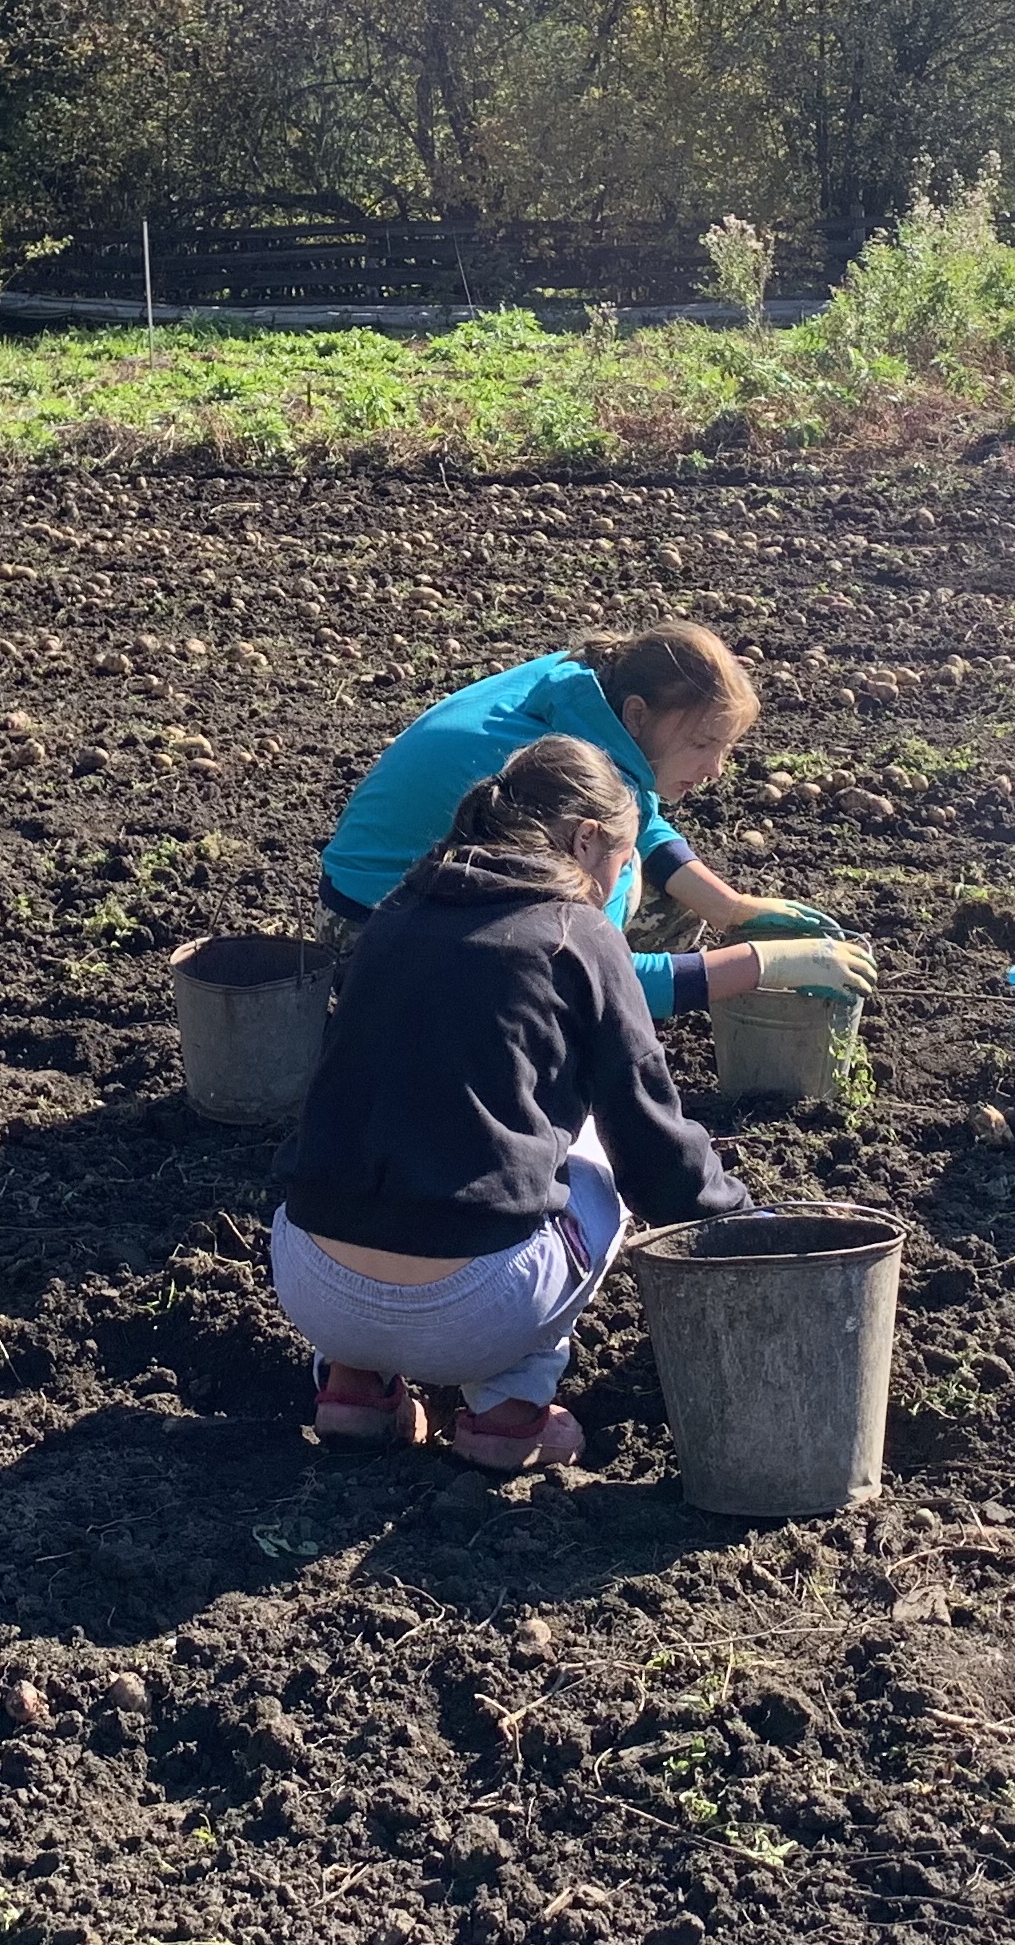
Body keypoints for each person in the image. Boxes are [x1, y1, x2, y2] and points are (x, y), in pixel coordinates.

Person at [272, 735, 755, 1473]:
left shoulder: (399, 908)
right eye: (621, 867)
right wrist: (740, 1225)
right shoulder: (577, 933)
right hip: (473, 1309)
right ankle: (508, 1407)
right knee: (590, 1152)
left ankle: (354, 1386)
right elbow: (652, 1143)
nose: (614, 888)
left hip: (309, 1279)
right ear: (586, 839)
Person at [321, 624, 870, 1025]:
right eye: (703, 744)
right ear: (637, 715)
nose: (715, 770)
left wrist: (730, 908)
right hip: (375, 942)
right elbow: (594, 974)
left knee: (670, 896)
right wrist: (764, 963)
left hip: (393, 903)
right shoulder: (559, 782)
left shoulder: (580, 687)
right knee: (620, 892)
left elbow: (638, 813)